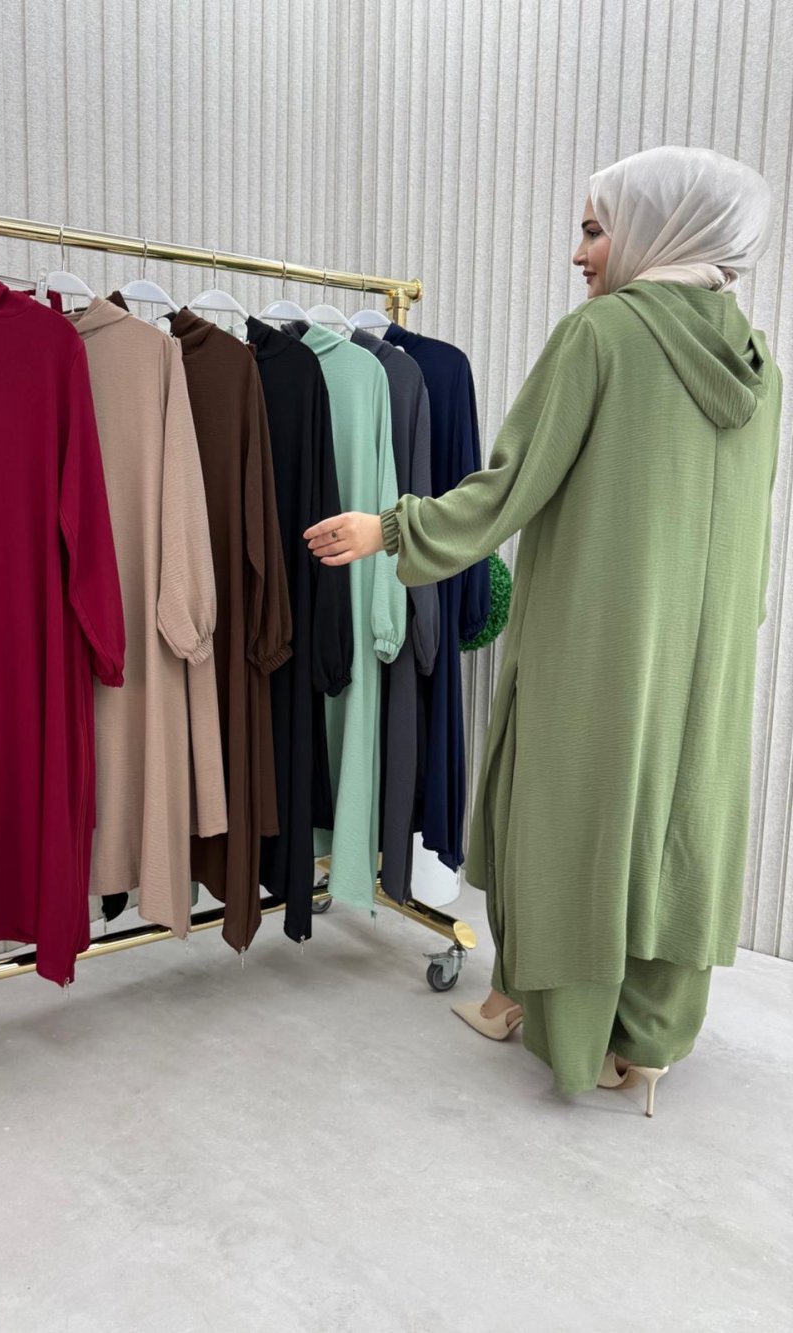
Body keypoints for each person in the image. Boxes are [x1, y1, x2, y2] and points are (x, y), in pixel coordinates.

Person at [304, 146, 782, 1115]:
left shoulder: (602, 335)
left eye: (596, 229)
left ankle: (556, 1019)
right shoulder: (759, 366)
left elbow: (511, 484)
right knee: (674, 825)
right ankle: (646, 1041)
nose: (578, 253)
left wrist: (390, 528)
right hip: (708, 651)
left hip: (597, 641)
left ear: (658, 230)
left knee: (567, 820)